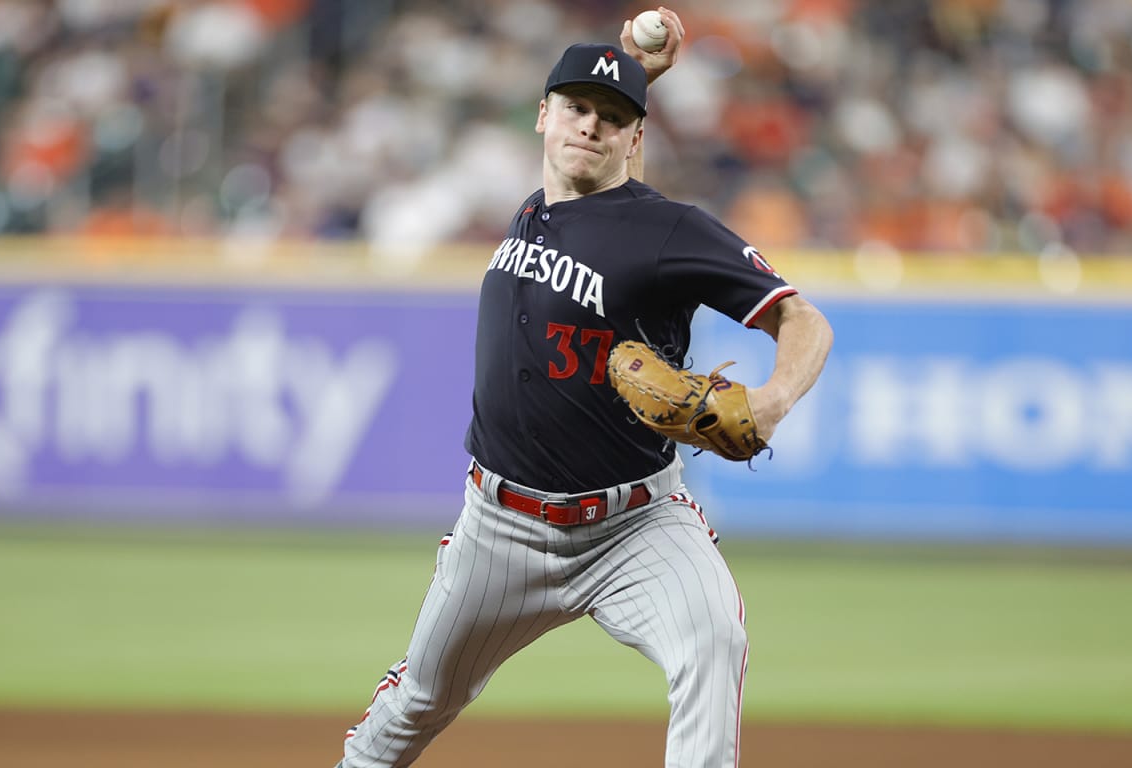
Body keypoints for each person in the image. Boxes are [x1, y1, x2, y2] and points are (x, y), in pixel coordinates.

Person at [336, 8, 833, 767]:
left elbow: (804, 321)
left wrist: (769, 402)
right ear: (542, 116)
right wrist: (632, 70)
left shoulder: (668, 229)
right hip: (499, 528)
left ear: (637, 138)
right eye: (576, 109)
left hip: (636, 526)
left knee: (713, 640)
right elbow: (594, 146)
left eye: (613, 119)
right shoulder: (537, 205)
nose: (590, 127)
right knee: (420, 701)